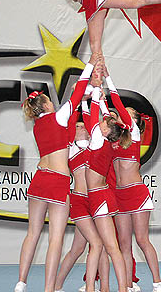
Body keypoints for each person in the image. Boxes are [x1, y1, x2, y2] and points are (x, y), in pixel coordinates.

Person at [16, 53, 97, 292]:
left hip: (39, 179)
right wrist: (90, 64)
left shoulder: (38, 126)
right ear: (46, 105)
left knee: (32, 233)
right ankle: (49, 288)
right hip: (58, 181)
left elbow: (71, 114)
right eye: (50, 101)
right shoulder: (58, 117)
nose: (54, 103)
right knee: (55, 239)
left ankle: (21, 282)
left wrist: (83, 98)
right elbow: (76, 95)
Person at [101, 70, 161, 292]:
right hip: (119, 196)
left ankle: (158, 282)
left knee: (142, 240)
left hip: (136, 194)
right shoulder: (115, 138)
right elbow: (106, 116)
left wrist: (108, 79)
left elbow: (118, 106)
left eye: (128, 114)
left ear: (135, 121)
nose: (122, 115)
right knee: (124, 245)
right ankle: (128, 285)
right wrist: (99, 96)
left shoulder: (135, 134)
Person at [84, 80, 131, 292]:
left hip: (100, 197)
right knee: (104, 247)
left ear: (105, 130)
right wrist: (102, 99)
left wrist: (96, 92)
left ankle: (122, 288)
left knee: (111, 247)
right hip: (100, 196)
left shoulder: (98, 140)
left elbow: (95, 116)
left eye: (104, 123)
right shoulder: (108, 141)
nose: (101, 123)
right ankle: (104, 287)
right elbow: (105, 118)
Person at [55, 111, 107, 292]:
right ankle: (89, 287)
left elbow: (97, 125)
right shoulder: (71, 149)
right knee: (97, 243)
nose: (81, 128)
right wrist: (79, 101)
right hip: (79, 201)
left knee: (78, 249)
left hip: (96, 201)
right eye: (77, 127)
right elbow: (69, 123)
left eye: (83, 126)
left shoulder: (95, 145)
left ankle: (57, 286)